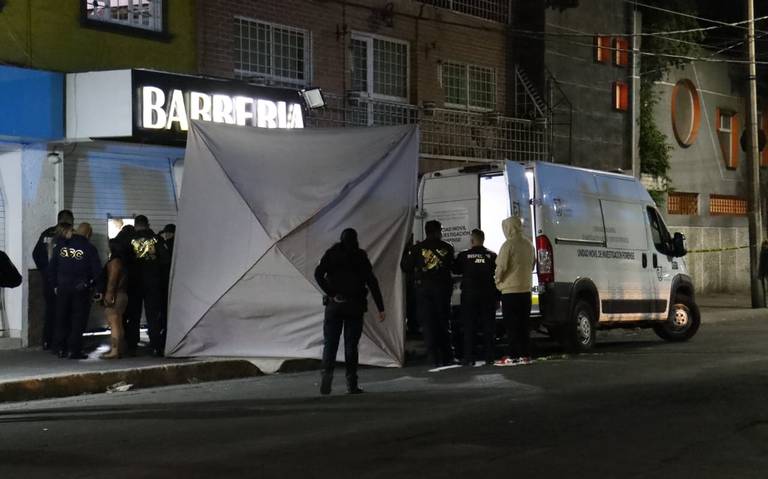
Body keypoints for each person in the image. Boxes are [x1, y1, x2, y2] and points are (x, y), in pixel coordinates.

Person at [314, 228, 385, 395]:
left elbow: (318, 274)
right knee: (351, 345)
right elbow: (372, 281)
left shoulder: (331, 254)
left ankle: (327, 377)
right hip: (355, 305)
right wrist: (380, 307)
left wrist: (331, 293)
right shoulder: (360, 256)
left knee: (330, 343)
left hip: (334, 306)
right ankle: (351, 384)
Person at [401, 220, 455, 369]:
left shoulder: (417, 249)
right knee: (443, 322)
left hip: (424, 291)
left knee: (428, 324)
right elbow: (453, 266)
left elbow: (405, 267)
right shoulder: (447, 247)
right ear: (438, 231)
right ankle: (447, 356)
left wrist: (406, 251)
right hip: (442, 291)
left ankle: (433, 357)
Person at [48, 223, 102, 359]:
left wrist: (54, 285)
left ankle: (60, 348)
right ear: (88, 234)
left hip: (62, 288)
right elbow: (97, 271)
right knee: (78, 320)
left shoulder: (61, 246)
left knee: (61, 318)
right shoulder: (89, 248)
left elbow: (52, 267)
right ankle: (74, 350)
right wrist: (98, 288)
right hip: (80, 289)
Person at [126, 215, 170, 357]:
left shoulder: (129, 240)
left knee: (134, 314)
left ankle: (132, 345)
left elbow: (124, 261)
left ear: (135, 225)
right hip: (153, 283)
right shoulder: (157, 239)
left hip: (134, 283)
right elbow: (166, 261)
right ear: (148, 224)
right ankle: (156, 346)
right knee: (153, 315)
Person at [454, 229, 499, 366]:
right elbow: (498, 274)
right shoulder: (492, 255)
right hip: (488, 295)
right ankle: (490, 357)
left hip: (469, 296)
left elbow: (455, 270)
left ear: (472, 240)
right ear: (483, 240)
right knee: (488, 327)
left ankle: (469, 358)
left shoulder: (463, 255)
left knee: (469, 327)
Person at [495, 217, 536, 366]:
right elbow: (532, 265)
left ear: (509, 228)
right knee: (524, 325)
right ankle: (526, 355)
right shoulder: (529, 244)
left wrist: (498, 282)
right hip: (525, 290)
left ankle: (513, 356)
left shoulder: (508, 245)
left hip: (510, 292)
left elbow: (501, 267)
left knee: (511, 326)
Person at [32, 209, 74, 349]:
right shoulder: (70, 234)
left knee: (51, 310)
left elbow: (36, 254)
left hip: (49, 280)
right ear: (71, 221)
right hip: (65, 280)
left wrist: (44, 271)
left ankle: (47, 341)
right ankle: (62, 342)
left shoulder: (46, 233)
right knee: (66, 311)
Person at [100, 239, 129, 359]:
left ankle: (114, 350)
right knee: (119, 323)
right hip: (123, 295)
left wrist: (109, 294)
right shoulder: (124, 262)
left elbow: (112, 281)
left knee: (114, 324)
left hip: (116, 295)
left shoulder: (114, 262)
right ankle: (119, 349)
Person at [760, 239, 768, 308]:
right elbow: (761, 263)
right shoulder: (763, 252)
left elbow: (761, 264)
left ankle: (766, 304)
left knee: (765, 290)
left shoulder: (763, 252)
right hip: (765, 272)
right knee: (765, 289)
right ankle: (766, 304)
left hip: (765, 272)